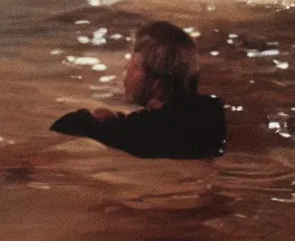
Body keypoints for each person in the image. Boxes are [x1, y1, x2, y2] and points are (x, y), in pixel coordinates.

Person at [50, 20, 226, 159]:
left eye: (133, 67)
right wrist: (116, 119)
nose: (125, 72)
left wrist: (97, 121)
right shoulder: (212, 116)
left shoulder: (142, 134)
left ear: (157, 85)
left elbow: (68, 125)